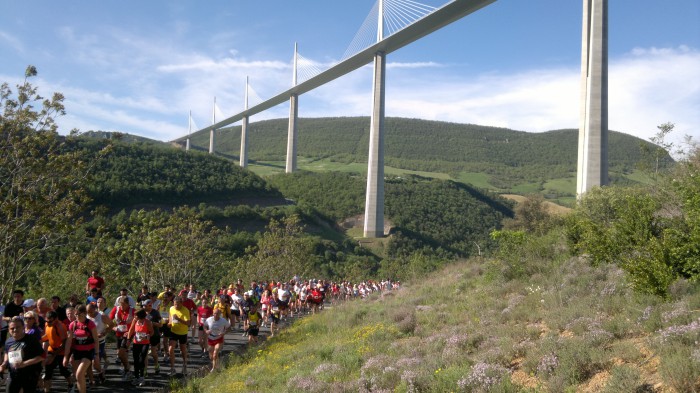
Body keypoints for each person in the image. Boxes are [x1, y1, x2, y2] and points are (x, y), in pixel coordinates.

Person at [0, 317, 45, 393]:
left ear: (23, 327)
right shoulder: (8, 341)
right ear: (9, 330)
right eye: (12, 328)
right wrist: (4, 364)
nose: (15, 330)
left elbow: (42, 356)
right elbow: (7, 353)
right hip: (13, 375)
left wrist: (24, 363)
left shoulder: (31, 339)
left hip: (29, 374)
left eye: (17, 327)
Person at [64, 305, 100, 393]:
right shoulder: (73, 324)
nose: (77, 317)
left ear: (84, 314)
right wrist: (65, 357)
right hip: (77, 352)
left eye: (79, 314)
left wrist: (96, 355)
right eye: (75, 315)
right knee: (78, 376)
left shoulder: (90, 324)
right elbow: (69, 341)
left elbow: (96, 340)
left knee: (79, 374)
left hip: (88, 352)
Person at [42, 310, 73, 393]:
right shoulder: (47, 324)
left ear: (56, 319)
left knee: (63, 370)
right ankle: (46, 390)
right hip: (51, 349)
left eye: (50, 321)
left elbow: (64, 344)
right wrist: (39, 340)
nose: (48, 323)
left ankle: (71, 384)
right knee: (48, 371)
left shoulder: (60, 326)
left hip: (61, 351)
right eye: (47, 321)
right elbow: (47, 335)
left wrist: (54, 355)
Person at [126, 308, 154, 387]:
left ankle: (141, 377)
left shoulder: (147, 322)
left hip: (145, 343)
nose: (134, 317)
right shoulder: (135, 321)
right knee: (135, 360)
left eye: (136, 315)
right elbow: (131, 330)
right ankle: (136, 377)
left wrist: (148, 336)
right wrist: (128, 339)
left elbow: (152, 332)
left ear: (140, 316)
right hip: (136, 343)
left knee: (142, 359)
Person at [109, 295, 134, 380]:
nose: (122, 307)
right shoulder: (116, 309)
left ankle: (127, 370)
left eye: (124, 305)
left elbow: (138, 322)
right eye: (120, 305)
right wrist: (113, 327)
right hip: (119, 334)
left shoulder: (132, 310)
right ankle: (126, 368)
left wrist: (130, 332)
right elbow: (108, 321)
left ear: (128, 304)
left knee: (121, 353)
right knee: (121, 354)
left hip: (128, 335)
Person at [87, 302, 112, 383]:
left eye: (91, 312)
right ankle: (92, 380)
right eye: (88, 312)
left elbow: (111, 325)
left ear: (95, 309)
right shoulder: (86, 317)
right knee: (88, 363)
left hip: (99, 342)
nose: (89, 314)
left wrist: (104, 332)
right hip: (89, 342)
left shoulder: (102, 316)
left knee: (95, 362)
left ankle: (100, 373)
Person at [168, 296, 191, 376]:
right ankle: (172, 368)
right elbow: (170, 316)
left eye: (178, 304)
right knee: (170, 349)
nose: (176, 306)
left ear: (181, 303)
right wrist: (170, 323)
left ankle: (185, 364)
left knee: (183, 350)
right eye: (175, 304)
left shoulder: (185, 310)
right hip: (173, 331)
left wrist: (179, 319)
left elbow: (188, 323)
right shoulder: (171, 308)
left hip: (182, 332)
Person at [203, 307, 229, 372]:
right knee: (211, 356)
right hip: (211, 338)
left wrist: (224, 333)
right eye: (214, 313)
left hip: (219, 338)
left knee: (215, 353)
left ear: (220, 314)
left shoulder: (223, 320)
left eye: (217, 313)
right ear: (213, 313)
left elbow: (229, 328)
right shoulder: (209, 319)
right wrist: (206, 331)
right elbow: (204, 326)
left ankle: (214, 369)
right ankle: (217, 365)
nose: (215, 315)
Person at [142, 299, 163, 375]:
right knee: (144, 353)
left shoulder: (155, 313)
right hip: (145, 335)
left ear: (150, 306)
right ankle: (145, 370)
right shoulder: (142, 312)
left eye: (145, 306)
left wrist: (152, 323)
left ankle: (156, 364)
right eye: (143, 305)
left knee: (153, 353)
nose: (144, 307)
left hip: (155, 334)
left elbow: (160, 324)